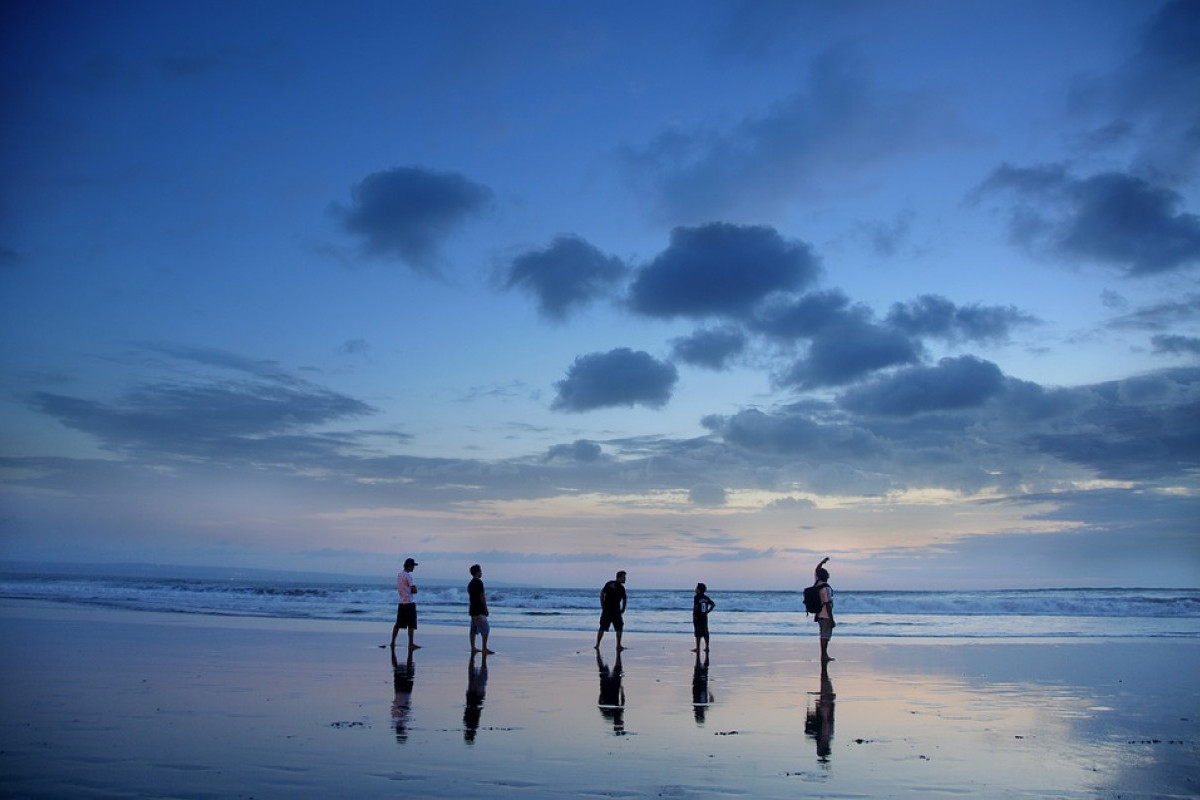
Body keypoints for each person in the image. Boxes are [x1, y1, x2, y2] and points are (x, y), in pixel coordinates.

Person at [390, 557, 420, 649]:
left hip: (401, 602)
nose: (414, 568)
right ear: (410, 566)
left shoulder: (399, 575)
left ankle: (393, 642)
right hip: (409, 602)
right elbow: (414, 589)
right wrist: (415, 590)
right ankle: (411, 643)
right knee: (411, 624)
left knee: (398, 624)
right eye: (413, 566)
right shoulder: (408, 576)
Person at [594, 570, 627, 650]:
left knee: (603, 627)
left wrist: (603, 605)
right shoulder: (619, 587)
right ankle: (618, 645)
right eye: (623, 577)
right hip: (614, 610)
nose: (625, 579)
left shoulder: (610, 584)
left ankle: (598, 645)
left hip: (609, 609)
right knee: (618, 627)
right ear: (619, 577)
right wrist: (623, 609)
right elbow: (625, 599)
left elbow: (602, 593)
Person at [467, 563, 494, 654]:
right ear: (477, 572)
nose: (481, 573)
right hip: (478, 609)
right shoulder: (479, 582)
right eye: (480, 571)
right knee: (485, 628)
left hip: (472, 609)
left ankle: (473, 647)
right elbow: (482, 597)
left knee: (473, 629)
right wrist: (485, 609)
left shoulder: (470, 583)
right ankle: (484, 648)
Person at [812, 557, 834, 662]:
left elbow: (816, 570)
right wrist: (831, 619)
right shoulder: (826, 588)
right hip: (825, 615)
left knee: (822, 635)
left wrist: (822, 562)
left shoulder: (817, 584)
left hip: (819, 614)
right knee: (825, 636)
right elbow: (827, 604)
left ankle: (824, 654)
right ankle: (824, 655)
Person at [692, 582, 715, 652]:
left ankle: (698, 647)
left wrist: (694, 615)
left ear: (699, 590)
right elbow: (713, 604)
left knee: (697, 632)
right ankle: (707, 647)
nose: (695, 589)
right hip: (704, 616)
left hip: (698, 616)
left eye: (696, 588)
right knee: (705, 632)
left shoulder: (696, 597)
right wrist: (708, 611)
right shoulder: (706, 597)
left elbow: (695, 607)